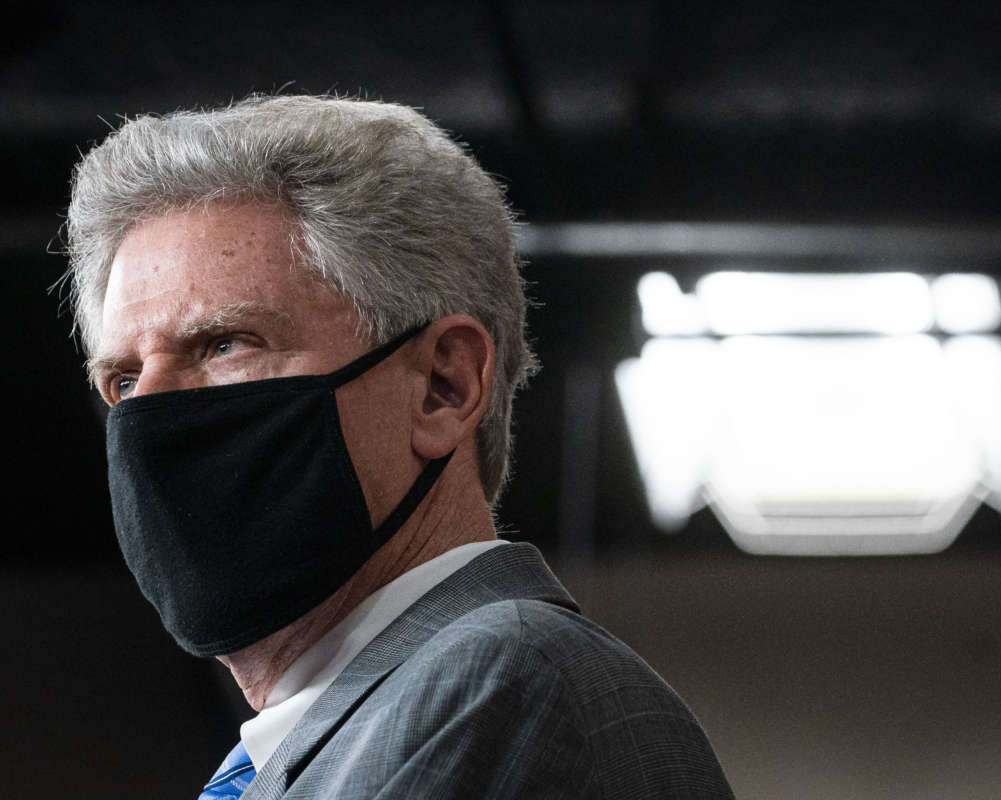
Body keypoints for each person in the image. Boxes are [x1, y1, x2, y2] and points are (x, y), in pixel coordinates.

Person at [64, 95, 733, 799]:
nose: (149, 415)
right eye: (124, 378)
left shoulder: (505, 682)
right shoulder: (321, 738)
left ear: (442, 386)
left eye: (225, 344)